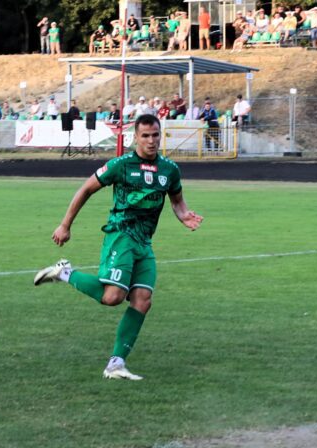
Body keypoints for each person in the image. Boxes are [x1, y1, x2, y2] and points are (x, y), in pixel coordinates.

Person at [33, 114, 203, 380]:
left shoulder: (170, 170)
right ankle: (64, 272)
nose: (151, 140)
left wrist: (184, 216)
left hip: (144, 242)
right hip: (121, 235)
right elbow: (86, 189)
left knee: (142, 301)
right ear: (135, 137)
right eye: (145, 135)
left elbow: (177, 201)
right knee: (112, 297)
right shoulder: (121, 165)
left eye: (155, 135)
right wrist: (65, 225)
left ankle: (115, 364)